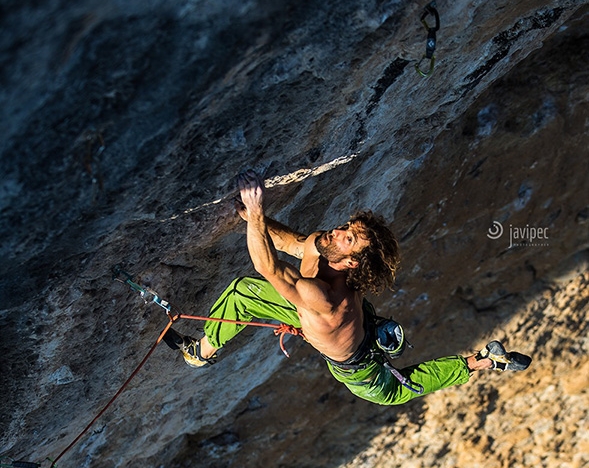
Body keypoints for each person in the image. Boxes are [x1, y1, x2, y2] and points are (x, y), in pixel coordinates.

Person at [164, 171, 531, 406]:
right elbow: (294, 244)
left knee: (399, 390)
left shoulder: (325, 300)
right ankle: (201, 351)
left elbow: (267, 266)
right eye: (346, 227)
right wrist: (253, 218)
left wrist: (257, 214)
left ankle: (480, 362)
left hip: (358, 366)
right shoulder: (327, 246)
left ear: (351, 262)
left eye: (348, 237)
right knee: (244, 292)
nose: (338, 231)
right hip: (349, 321)